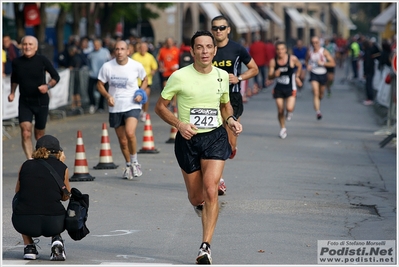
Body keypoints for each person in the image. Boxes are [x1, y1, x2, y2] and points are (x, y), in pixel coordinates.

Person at [154, 30, 242, 264]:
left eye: (208, 47)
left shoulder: (222, 76)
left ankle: (205, 247)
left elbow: (225, 106)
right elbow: (160, 107)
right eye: (199, 47)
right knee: (196, 198)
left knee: (211, 188)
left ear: (215, 50)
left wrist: (231, 120)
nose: (204, 51)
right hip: (188, 141)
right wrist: (179, 124)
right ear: (192, 51)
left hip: (214, 137)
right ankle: (202, 206)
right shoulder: (179, 76)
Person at [211, 15, 258, 195]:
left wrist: (238, 78)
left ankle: (232, 148)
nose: (218, 31)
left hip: (232, 98)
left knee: (229, 141)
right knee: (217, 138)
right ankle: (219, 180)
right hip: (212, 99)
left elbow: (254, 69)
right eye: (215, 28)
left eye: (222, 28)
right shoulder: (209, 49)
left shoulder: (237, 49)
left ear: (228, 29)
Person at [12, 135, 71, 261]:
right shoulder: (63, 168)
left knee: (18, 200)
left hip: (24, 223)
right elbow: (66, 196)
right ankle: (56, 240)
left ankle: (29, 247)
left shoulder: (25, 165)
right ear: (58, 152)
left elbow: (18, 191)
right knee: (53, 204)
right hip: (55, 224)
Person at [97, 40, 148, 179]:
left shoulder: (136, 65)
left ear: (128, 51)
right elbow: (100, 84)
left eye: (122, 49)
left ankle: (135, 161)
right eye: (117, 49)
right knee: (122, 140)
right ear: (114, 51)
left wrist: (140, 92)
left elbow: (145, 79)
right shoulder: (107, 67)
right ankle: (128, 164)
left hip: (132, 104)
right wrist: (107, 96)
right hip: (115, 107)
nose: (119, 52)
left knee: (130, 133)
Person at [8, 35, 60, 159]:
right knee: (25, 132)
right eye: (25, 44)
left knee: (39, 135)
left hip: (41, 101)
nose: (27, 47)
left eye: (30, 44)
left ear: (36, 47)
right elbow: (14, 78)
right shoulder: (17, 62)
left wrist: (47, 86)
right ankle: (30, 160)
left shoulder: (42, 60)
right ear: (21, 47)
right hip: (25, 102)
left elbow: (56, 77)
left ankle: (40, 160)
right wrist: (12, 92)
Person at [267, 41, 302, 139]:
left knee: (289, 108)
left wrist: (297, 76)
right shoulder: (273, 61)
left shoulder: (292, 59)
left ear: (285, 50)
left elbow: (299, 66)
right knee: (280, 110)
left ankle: (289, 112)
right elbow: (269, 77)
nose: (280, 51)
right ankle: (283, 128)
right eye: (278, 49)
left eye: (282, 49)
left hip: (290, 87)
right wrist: (274, 74)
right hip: (279, 89)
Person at [305, 36, 336, 120]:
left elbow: (333, 63)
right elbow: (306, 60)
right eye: (313, 43)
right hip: (313, 73)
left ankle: (318, 101)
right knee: (315, 92)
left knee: (321, 94)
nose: (314, 44)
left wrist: (322, 63)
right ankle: (318, 112)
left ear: (319, 43)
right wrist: (308, 66)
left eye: (316, 42)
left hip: (323, 73)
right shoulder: (310, 52)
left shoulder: (324, 52)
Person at [132, 42, 158, 122]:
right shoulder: (135, 56)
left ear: (147, 49)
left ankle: (145, 112)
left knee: (145, 96)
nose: (143, 49)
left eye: (144, 48)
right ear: (139, 48)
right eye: (141, 47)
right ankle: (136, 111)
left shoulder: (150, 57)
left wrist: (153, 71)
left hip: (147, 80)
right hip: (136, 81)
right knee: (135, 98)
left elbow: (154, 66)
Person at [87, 38, 111, 114]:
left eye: (97, 45)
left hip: (103, 75)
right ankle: (93, 104)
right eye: (94, 45)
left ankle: (101, 106)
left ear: (100, 45)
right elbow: (88, 62)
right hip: (93, 74)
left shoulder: (105, 52)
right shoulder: (91, 53)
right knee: (90, 90)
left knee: (102, 90)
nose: (95, 46)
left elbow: (109, 62)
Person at [157, 37, 180, 107]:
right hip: (166, 72)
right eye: (168, 41)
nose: (169, 43)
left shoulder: (176, 50)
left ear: (172, 42)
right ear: (166, 42)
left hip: (174, 72)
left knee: (175, 88)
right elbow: (159, 59)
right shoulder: (162, 50)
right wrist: (161, 66)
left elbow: (179, 59)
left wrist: (177, 66)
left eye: (170, 41)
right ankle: (167, 101)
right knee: (166, 87)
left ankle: (174, 103)